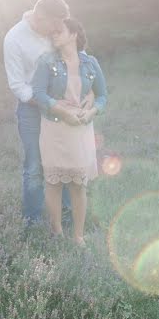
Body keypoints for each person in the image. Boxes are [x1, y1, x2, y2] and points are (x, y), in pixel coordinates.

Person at [3, 0, 86, 225]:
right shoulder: (14, 39)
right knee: (34, 165)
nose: (59, 29)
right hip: (32, 110)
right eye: (55, 24)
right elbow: (18, 85)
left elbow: (76, 55)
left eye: (62, 25)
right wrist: (49, 103)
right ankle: (33, 219)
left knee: (67, 159)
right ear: (40, 17)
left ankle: (68, 213)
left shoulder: (56, 29)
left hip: (66, 106)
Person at [31, 18, 108, 246]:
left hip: (81, 129)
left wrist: (93, 111)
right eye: (51, 32)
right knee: (53, 183)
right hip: (55, 127)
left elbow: (102, 95)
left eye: (59, 31)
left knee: (78, 184)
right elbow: (38, 93)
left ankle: (79, 236)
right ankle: (57, 232)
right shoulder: (46, 61)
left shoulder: (90, 63)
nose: (53, 34)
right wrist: (62, 112)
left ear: (74, 34)